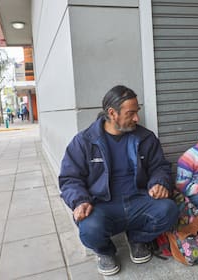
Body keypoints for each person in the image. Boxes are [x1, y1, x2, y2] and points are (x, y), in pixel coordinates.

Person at [58, 85, 179, 276]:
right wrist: (80, 200)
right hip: (102, 205)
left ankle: (137, 238)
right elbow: (69, 178)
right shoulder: (84, 141)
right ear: (112, 113)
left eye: (137, 112)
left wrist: (160, 182)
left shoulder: (145, 138)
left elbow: (160, 167)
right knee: (89, 229)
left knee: (169, 210)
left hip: (139, 200)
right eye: (131, 113)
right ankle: (105, 251)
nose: (137, 118)